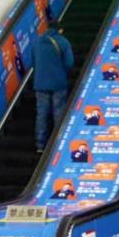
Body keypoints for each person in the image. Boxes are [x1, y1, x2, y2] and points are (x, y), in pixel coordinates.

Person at [32, 19, 74, 153]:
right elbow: (69, 63)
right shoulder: (63, 42)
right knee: (58, 112)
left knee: (41, 113)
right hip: (58, 83)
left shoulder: (37, 42)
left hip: (40, 83)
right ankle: (57, 144)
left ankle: (40, 145)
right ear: (60, 30)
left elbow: (33, 62)